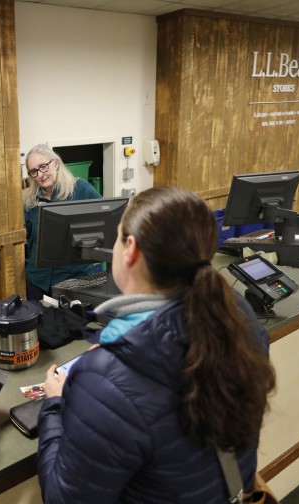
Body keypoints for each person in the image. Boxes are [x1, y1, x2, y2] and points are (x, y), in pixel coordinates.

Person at [37, 186, 276, 503]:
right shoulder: (235, 316)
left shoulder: (107, 376)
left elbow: (63, 499)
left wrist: (54, 405)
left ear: (131, 249)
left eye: (118, 235)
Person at [22, 144, 102, 300]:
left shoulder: (80, 190)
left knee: (72, 323)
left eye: (43, 166)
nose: (40, 174)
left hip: (73, 280)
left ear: (56, 163)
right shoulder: (30, 201)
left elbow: (103, 226)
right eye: (34, 171)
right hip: (39, 280)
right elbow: (30, 239)